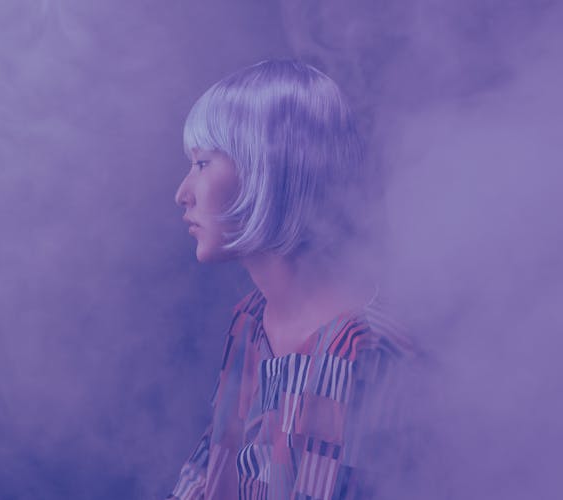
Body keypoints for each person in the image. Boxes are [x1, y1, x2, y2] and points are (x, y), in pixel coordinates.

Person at [168, 60, 418, 499]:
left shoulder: (361, 348)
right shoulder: (250, 320)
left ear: (271, 170)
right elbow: (212, 470)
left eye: (203, 164)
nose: (183, 193)